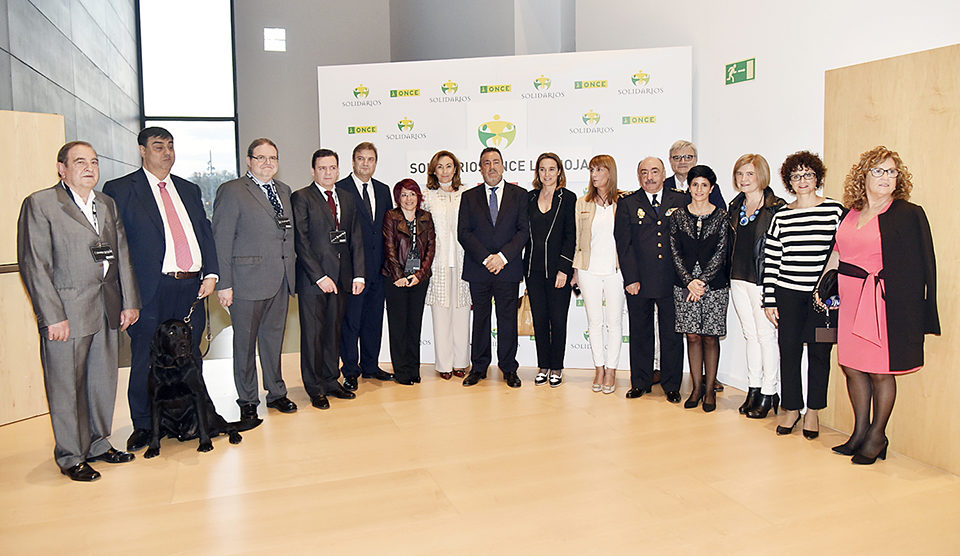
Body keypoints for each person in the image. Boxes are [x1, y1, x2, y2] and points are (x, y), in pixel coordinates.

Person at [18, 141, 141, 481]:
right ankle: (71, 454)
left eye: (94, 162)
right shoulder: (41, 204)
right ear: (62, 168)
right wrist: (51, 315)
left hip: (105, 307)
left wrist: (129, 301)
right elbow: (35, 264)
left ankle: (99, 443)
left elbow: (122, 255)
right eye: (80, 162)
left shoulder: (107, 204)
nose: (89, 168)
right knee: (67, 385)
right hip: (67, 313)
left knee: (103, 380)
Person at [103, 127, 219, 452]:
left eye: (170, 146)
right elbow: (116, 245)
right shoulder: (121, 189)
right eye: (158, 146)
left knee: (190, 356)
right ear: (142, 150)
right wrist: (125, 295)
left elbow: (204, 234)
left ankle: (192, 418)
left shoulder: (189, 189)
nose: (166, 152)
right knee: (145, 359)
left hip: (190, 289)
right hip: (149, 290)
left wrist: (211, 272)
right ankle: (143, 425)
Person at [822, 146, 938, 464]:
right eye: (879, 171)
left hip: (881, 304)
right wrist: (824, 286)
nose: (886, 177)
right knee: (852, 366)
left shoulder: (907, 213)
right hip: (848, 299)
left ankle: (877, 436)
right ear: (864, 176)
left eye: (891, 171)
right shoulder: (853, 213)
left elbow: (920, 265)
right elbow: (839, 252)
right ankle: (859, 432)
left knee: (880, 371)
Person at [212, 138, 298, 420]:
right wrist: (225, 283)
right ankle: (247, 398)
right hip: (246, 281)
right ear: (248, 161)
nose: (267, 163)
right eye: (260, 158)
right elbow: (221, 240)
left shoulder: (283, 191)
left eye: (272, 158)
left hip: (280, 280)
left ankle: (276, 392)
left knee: (274, 341)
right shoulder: (233, 191)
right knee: (245, 344)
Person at [761, 151, 845, 436]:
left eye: (808, 174)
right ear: (788, 181)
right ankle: (792, 408)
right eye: (796, 176)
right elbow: (772, 260)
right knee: (789, 352)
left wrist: (830, 291)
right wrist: (769, 300)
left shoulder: (835, 211)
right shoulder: (781, 216)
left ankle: (814, 412)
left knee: (821, 353)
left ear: (817, 178)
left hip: (824, 301)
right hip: (788, 296)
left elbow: (842, 252)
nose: (802, 180)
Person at [292, 148, 365, 410]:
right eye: (322, 168)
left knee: (334, 333)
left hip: (341, 279)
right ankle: (314, 387)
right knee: (313, 335)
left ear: (338, 169)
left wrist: (358, 274)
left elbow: (355, 237)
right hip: (314, 281)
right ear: (313, 171)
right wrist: (319, 276)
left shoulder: (346, 197)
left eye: (332, 167)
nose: (327, 172)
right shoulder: (301, 197)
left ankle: (331, 380)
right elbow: (301, 241)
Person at [615, 157, 686, 402]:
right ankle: (640, 382)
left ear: (664, 173)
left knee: (672, 335)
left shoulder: (680, 199)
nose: (650, 177)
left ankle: (672, 384)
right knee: (640, 332)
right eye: (644, 172)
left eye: (654, 171)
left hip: (672, 280)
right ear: (638, 176)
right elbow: (623, 244)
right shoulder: (627, 202)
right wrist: (631, 278)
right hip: (639, 281)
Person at [458, 147, 530, 388]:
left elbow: (523, 231)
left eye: (496, 162)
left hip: (507, 269)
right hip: (479, 269)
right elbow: (464, 233)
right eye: (486, 163)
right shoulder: (469, 197)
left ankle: (509, 367)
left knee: (507, 319)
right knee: (480, 319)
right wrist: (487, 258)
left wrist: (502, 257)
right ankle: (478, 367)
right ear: (480, 168)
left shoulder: (520, 195)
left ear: (503, 165)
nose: (492, 167)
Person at [727, 154, 785, 415]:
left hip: (763, 281)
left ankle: (770, 392)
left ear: (761, 175)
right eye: (740, 174)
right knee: (750, 336)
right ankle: (753, 388)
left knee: (766, 336)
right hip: (737, 278)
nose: (744, 179)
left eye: (749, 174)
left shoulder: (776, 207)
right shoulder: (734, 205)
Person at [670, 165, 730, 412]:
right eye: (695, 184)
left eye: (704, 185)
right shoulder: (678, 216)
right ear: (689, 187)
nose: (699, 189)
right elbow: (674, 251)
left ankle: (708, 391)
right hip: (685, 285)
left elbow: (721, 252)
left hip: (713, 285)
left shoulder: (722, 217)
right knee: (692, 336)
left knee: (710, 336)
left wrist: (702, 281)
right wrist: (689, 281)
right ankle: (695, 388)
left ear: (712, 188)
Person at [336, 142, 394, 391]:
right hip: (351, 271)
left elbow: (387, 230)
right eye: (361, 159)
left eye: (370, 159)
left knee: (373, 321)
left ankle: (371, 365)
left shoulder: (383, 190)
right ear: (353, 161)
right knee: (351, 322)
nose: (366, 164)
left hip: (379, 271)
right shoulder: (340, 189)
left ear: (375, 162)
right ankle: (350, 370)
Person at [571, 154, 624, 394]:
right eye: (592, 170)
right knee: (594, 322)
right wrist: (575, 271)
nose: (594, 174)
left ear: (610, 173)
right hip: (587, 269)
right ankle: (599, 368)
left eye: (599, 169)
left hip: (616, 270)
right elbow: (577, 240)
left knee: (614, 322)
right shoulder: (583, 202)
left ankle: (612, 369)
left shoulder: (624, 201)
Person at [524, 153, 576, 387]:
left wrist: (564, 269)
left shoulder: (569, 198)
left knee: (558, 320)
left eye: (551, 169)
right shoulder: (529, 198)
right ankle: (543, 365)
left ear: (559, 172)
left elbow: (570, 235)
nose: (547, 174)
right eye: (542, 169)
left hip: (558, 272)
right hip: (533, 271)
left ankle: (557, 366)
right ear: (538, 173)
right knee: (540, 320)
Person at [422, 151, 472, 380]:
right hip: (438, 264)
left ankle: (461, 362)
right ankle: (444, 365)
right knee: (441, 315)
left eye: (449, 166)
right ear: (433, 170)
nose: (444, 171)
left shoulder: (467, 194)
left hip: (463, 262)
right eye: (439, 166)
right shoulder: (426, 196)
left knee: (462, 314)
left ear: (456, 169)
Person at [382, 179, 436, 385]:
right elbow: (389, 248)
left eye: (412, 194)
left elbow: (431, 249)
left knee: (414, 326)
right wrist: (399, 277)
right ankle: (402, 372)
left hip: (418, 281)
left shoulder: (426, 218)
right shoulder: (392, 216)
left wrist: (419, 275)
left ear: (418, 197)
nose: (408, 199)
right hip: (395, 280)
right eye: (404, 194)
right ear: (398, 197)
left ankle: (414, 369)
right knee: (398, 327)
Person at [664, 140, 725, 210]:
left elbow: (721, 214)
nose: (682, 162)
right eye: (677, 158)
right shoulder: (663, 186)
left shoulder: (709, 188)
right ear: (670, 160)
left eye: (688, 157)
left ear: (696, 159)